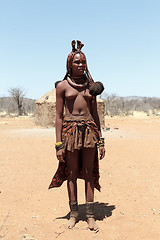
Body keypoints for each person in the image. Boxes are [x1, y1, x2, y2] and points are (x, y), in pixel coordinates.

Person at [49, 40, 105, 231]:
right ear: (69, 64)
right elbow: (58, 118)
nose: (81, 65)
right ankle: (73, 214)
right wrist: (58, 144)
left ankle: (89, 215)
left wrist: (101, 140)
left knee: (89, 173)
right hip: (70, 133)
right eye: (77, 62)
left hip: (89, 132)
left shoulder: (91, 87)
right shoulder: (63, 87)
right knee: (71, 173)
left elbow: (95, 114)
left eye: (83, 62)